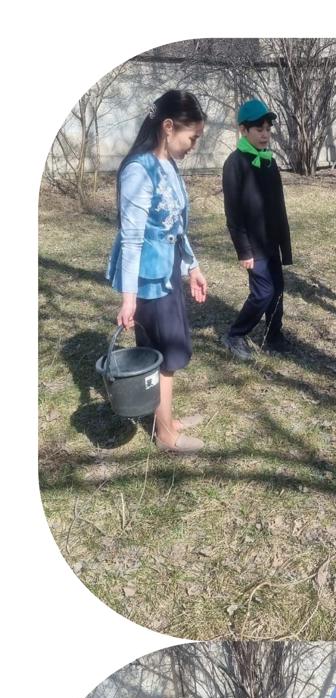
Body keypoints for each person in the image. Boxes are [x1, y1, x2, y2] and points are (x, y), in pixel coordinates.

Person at [105, 89, 209, 454]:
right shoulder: (138, 170)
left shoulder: (168, 165)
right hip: (148, 283)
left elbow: (176, 227)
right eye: (191, 136)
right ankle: (165, 434)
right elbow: (131, 238)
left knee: (170, 353)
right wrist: (128, 298)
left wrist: (192, 267)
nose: (194, 144)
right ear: (168, 126)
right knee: (163, 355)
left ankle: (167, 418)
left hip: (168, 276)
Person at [221, 98, 293, 360]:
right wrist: (243, 250)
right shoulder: (235, 164)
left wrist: (283, 244)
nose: (265, 134)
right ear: (243, 130)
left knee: (277, 290)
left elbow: (278, 206)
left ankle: (274, 336)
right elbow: (234, 213)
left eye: (268, 129)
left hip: (271, 241)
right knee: (263, 292)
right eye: (258, 129)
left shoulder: (268, 161)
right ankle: (236, 334)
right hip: (253, 244)